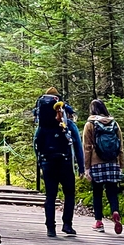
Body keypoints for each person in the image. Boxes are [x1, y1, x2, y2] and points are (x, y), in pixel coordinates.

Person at [34, 87, 76, 237]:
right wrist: (80, 165)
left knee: (50, 195)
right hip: (64, 161)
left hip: (47, 161)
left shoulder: (42, 126)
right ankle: (67, 224)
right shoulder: (65, 124)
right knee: (69, 193)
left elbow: (36, 144)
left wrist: (40, 161)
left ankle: (50, 227)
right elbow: (75, 144)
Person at [82, 98, 124, 233]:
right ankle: (115, 212)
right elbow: (121, 146)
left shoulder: (89, 124)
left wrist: (86, 167)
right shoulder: (114, 124)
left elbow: (87, 148)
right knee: (112, 191)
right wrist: (121, 165)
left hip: (96, 164)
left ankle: (99, 222)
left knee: (97, 193)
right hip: (112, 162)